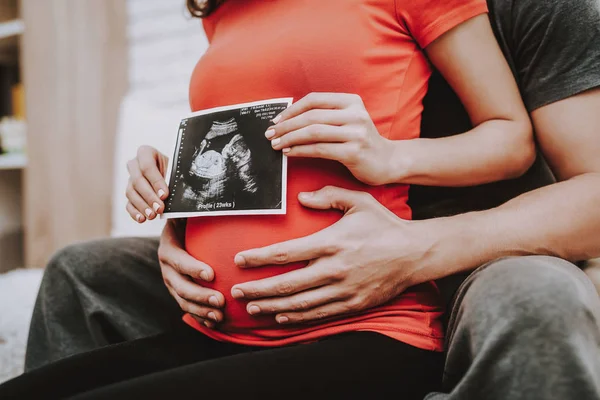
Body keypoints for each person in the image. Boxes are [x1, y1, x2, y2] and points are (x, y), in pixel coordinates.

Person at [6, 0, 600, 399]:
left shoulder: (538, 8)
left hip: (475, 256)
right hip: (263, 293)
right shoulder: (235, 14)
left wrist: (416, 246)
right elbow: (250, 148)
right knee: (81, 270)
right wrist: (183, 215)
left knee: (537, 298)